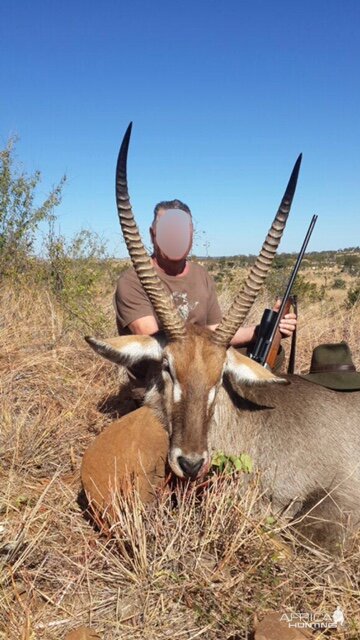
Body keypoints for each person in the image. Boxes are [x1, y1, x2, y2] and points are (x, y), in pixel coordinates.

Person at [114, 199, 297, 350]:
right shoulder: (131, 281)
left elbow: (215, 332)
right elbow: (156, 344)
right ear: (153, 234)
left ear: (191, 234)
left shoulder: (201, 274)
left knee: (269, 348)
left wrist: (262, 330)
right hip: (161, 379)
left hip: (201, 365)